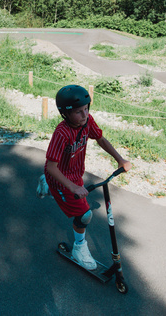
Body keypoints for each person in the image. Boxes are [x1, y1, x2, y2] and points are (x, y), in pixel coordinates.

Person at [36, 84, 131, 270]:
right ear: (66, 113)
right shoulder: (61, 133)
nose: (85, 115)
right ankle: (79, 249)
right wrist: (72, 187)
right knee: (85, 215)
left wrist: (120, 159)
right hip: (60, 178)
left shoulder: (87, 123)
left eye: (87, 109)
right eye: (79, 112)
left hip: (75, 174)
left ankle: (46, 186)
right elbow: (51, 166)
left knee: (82, 205)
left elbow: (101, 138)